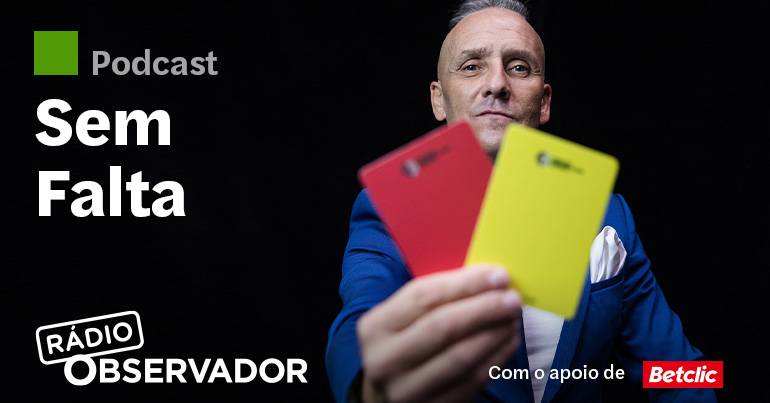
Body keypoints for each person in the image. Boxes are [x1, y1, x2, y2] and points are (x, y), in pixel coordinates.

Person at [325, 1, 716, 402]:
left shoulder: (609, 214)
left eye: (519, 67)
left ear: (544, 102)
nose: (497, 83)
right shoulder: (390, 206)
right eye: (472, 66)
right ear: (438, 100)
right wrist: (368, 386)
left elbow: (676, 368)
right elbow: (358, 318)